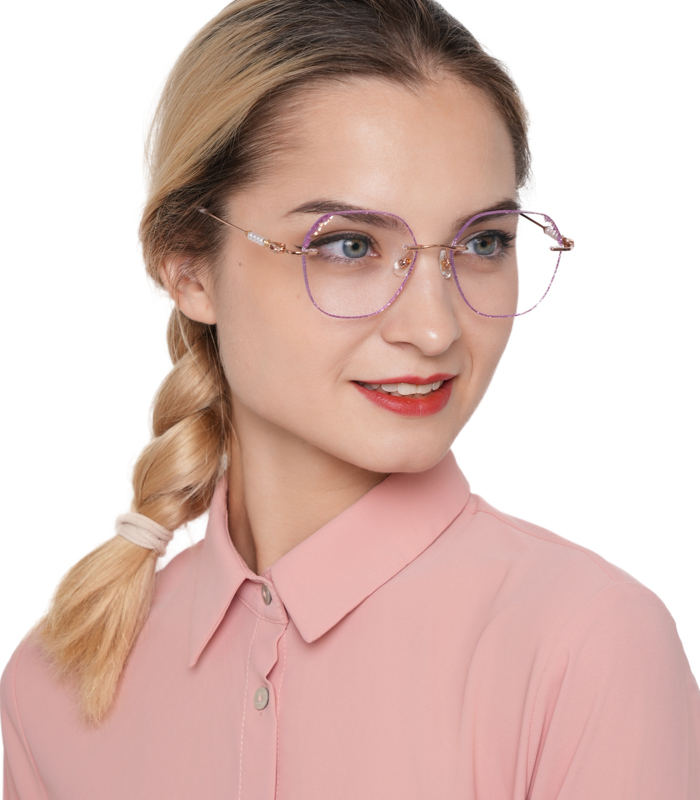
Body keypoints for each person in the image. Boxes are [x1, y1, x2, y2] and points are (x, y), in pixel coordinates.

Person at [1, 0, 699, 797]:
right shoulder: (58, 684)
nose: (435, 329)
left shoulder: (586, 648)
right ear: (189, 267)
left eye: (482, 243)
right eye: (350, 245)